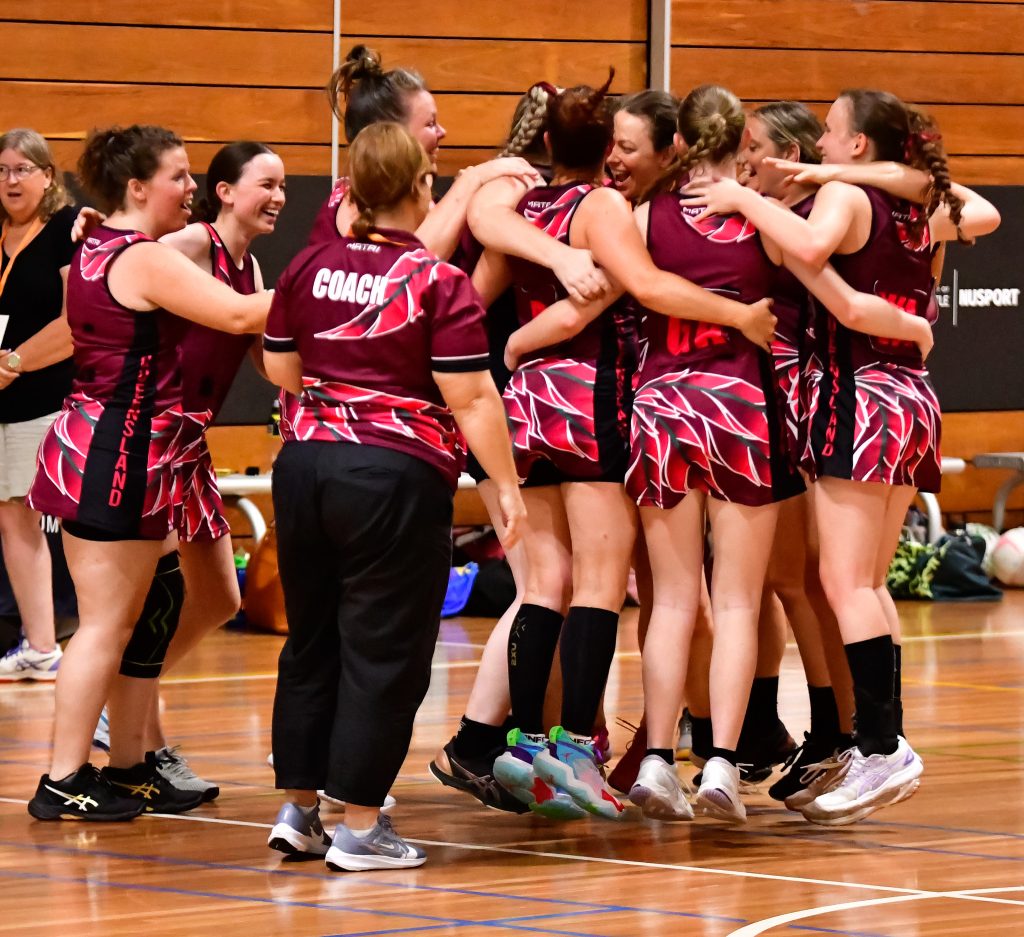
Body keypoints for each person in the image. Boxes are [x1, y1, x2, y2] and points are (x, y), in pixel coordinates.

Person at [465, 74, 778, 822]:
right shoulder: (621, 210)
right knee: (651, 590)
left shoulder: (533, 205)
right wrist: (742, 316)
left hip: (554, 406)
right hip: (621, 401)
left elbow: (477, 276)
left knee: (554, 582)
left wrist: (511, 346)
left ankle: (532, 745)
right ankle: (673, 755)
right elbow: (623, 290)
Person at [684, 88, 1000, 824]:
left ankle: (882, 743)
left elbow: (809, 250)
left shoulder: (851, 204)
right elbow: (967, 208)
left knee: (844, 581)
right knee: (866, 583)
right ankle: (873, 739)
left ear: (858, 145)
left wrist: (744, 197)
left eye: (830, 134)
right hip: (910, 394)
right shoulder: (914, 206)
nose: (822, 145)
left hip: (859, 391)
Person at [262, 122, 525, 871]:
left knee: (313, 640)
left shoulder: (308, 265)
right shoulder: (435, 282)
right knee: (386, 649)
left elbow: (281, 368)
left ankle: (301, 810)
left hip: (305, 465)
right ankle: (361, 825)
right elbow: (473, 398)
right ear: (421, 187)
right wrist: (505, 487)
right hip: (392, 474)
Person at [24, 124, 271, 821]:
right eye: (178, 175)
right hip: (117, 450)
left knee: (157, 611)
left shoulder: (103, 242)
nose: (190, 187)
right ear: (137, 187)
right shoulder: (140, 256)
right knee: (106, 623)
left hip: (133, 447)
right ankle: (64, 775)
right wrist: (331, 281)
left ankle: (130, 762)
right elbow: (235, 311)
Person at [0, 130, 75, 682]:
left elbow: (78, 325)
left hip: (46, 400)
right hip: (1, 401)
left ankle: (96, 643)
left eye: (23, 169)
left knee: (61, 526)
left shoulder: (65, 235)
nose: (10, 180)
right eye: (2, 170)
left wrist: (14, 363)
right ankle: (42, 647)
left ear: (48, 176)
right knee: (13, 522)